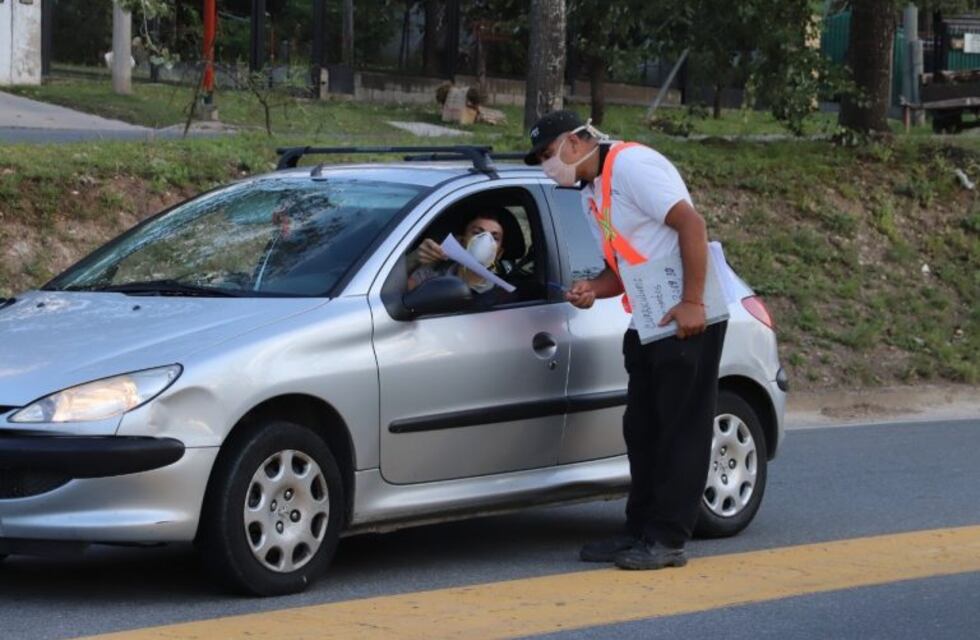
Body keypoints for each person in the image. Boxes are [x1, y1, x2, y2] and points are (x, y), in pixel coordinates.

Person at [525, 110, 727, 571]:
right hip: (648, 319)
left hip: (686, 317)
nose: (546, 166)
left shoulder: (633, 166)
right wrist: (592, 290)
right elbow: (621, 268)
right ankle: (638, 530)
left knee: (680, 430)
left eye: (547, 154)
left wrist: (692, 302)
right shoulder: (590, 193)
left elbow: (691, 226)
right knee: (642, 429)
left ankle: (668, 537)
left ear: (576, 142)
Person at [408, 209, 524, 306]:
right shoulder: (430, 274)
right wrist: (414, 258)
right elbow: (399, 296)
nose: (485, 241)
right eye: (477, 232)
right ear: (461, 242)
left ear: (499, 253)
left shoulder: (503, 296)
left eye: (494, 238)